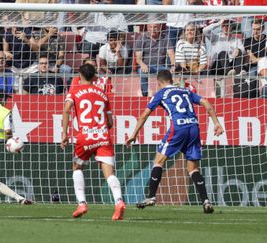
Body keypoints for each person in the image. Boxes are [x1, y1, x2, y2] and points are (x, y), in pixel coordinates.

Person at [125, 70, 225, 213]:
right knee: (193, 169)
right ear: (171, 79)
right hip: (194, 127)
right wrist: (216, 123)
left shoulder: (161, 94)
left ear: (159, 82)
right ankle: (206, 201)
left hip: (178, 128)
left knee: (158, 161)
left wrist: (134, 134)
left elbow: (144, 115)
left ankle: (151, 197)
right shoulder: (186, 91)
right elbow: (206, 103)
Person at [61, 63, 126, 221]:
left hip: (84, 137)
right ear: (95, 77)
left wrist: (64, 133)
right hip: (103, 136)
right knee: (109, 173)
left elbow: (66, 109)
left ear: (79, 76)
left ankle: (82, 203)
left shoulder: (75, 91)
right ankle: (119, 201)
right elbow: (110, 122)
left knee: (77, 167)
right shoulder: (103, 93)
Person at [134, 23, 174, 97]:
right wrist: (143, 65)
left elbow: (171, 54)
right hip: (147, 66)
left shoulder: (165, 37)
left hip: (161, 66)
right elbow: (138, 58)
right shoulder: (142, 37)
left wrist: (173, 66)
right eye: (150, 27)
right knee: (142, 72)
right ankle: (145, 95)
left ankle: (167, 94)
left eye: (155, 27)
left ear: (159, 27)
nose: (152, 29)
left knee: (171, 73)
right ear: (147, 27)